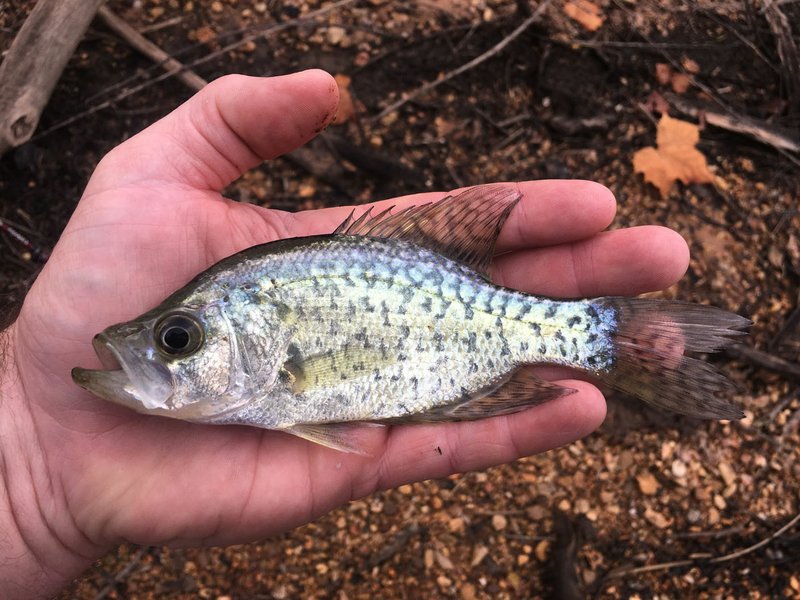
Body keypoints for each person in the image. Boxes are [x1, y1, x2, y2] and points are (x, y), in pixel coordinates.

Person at [0, 70, 690, 598]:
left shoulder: (279, 371)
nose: (159, 353)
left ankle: (599, 339)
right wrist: (29, 473)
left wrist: (31, 485)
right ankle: (602, 340)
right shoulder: (261, 367)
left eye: (177, 338)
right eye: (174, 340)